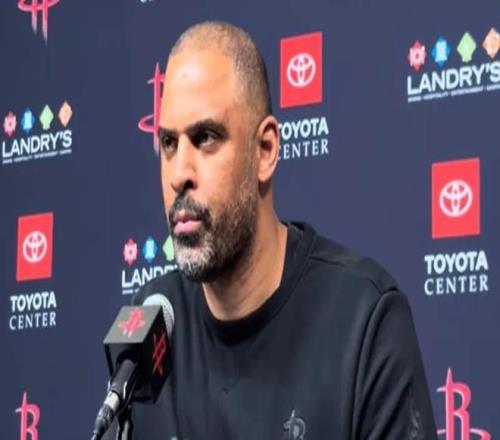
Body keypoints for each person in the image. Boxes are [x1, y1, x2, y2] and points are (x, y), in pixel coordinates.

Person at [126, 21, 437, 439]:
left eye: (206, 138)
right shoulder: (152, 319)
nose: (179, 173)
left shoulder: (364, 321)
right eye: (168, 144)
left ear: (265, 150)